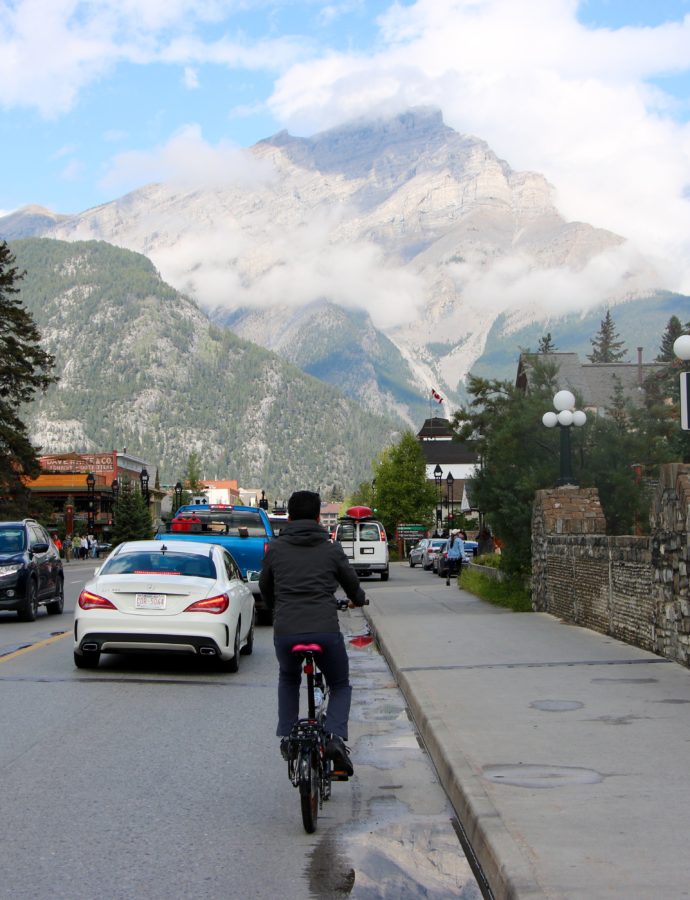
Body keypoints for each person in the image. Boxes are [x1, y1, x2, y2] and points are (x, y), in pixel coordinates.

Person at [259, 490, 366, 776]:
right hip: (324, 630)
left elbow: (265, 586)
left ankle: (289, 735)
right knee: (340, 683)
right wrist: (358, 597)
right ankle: (333, 736)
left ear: (289, 518)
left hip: (287, 631)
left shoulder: (276, 548)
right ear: (319, 517)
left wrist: (274, 608)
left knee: (289, 677)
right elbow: (350, 581)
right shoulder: (330, 548)